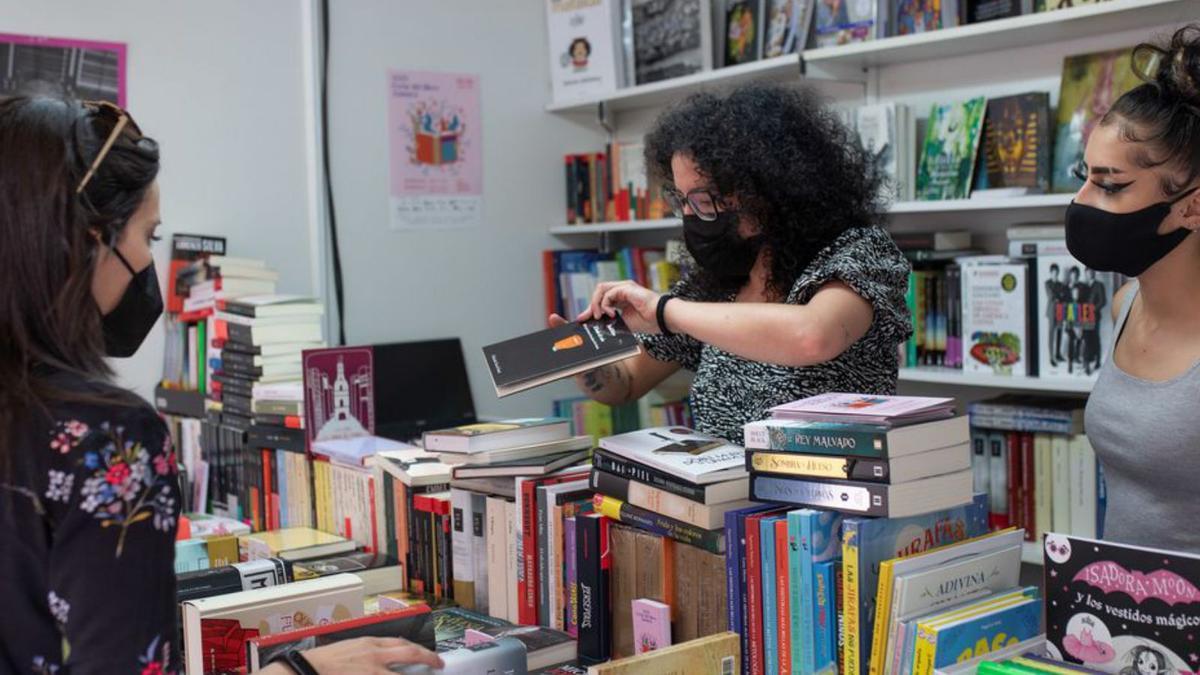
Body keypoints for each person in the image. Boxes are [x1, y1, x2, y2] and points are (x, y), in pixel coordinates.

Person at [0, 97, 443, 674]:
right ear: (88, 242)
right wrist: (300, 671)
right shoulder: (108, 439)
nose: (147, 263)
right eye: (148, 237)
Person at [550, 83, 913, 443]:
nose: (691, 216)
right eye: (682, 200)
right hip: (724, 496)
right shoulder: (717, 284)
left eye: (704, 201)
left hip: (830, 492)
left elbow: (812, 336)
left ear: (767, 190)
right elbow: (627, 383)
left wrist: (665, 311)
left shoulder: (860, 254)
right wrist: (583, 360)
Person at [1072, 24, 1200, 553]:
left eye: (1109, 185)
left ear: (1191, 206)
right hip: (1123, 620)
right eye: (1084, 177)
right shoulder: (1124, 306)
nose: (1081, 201)